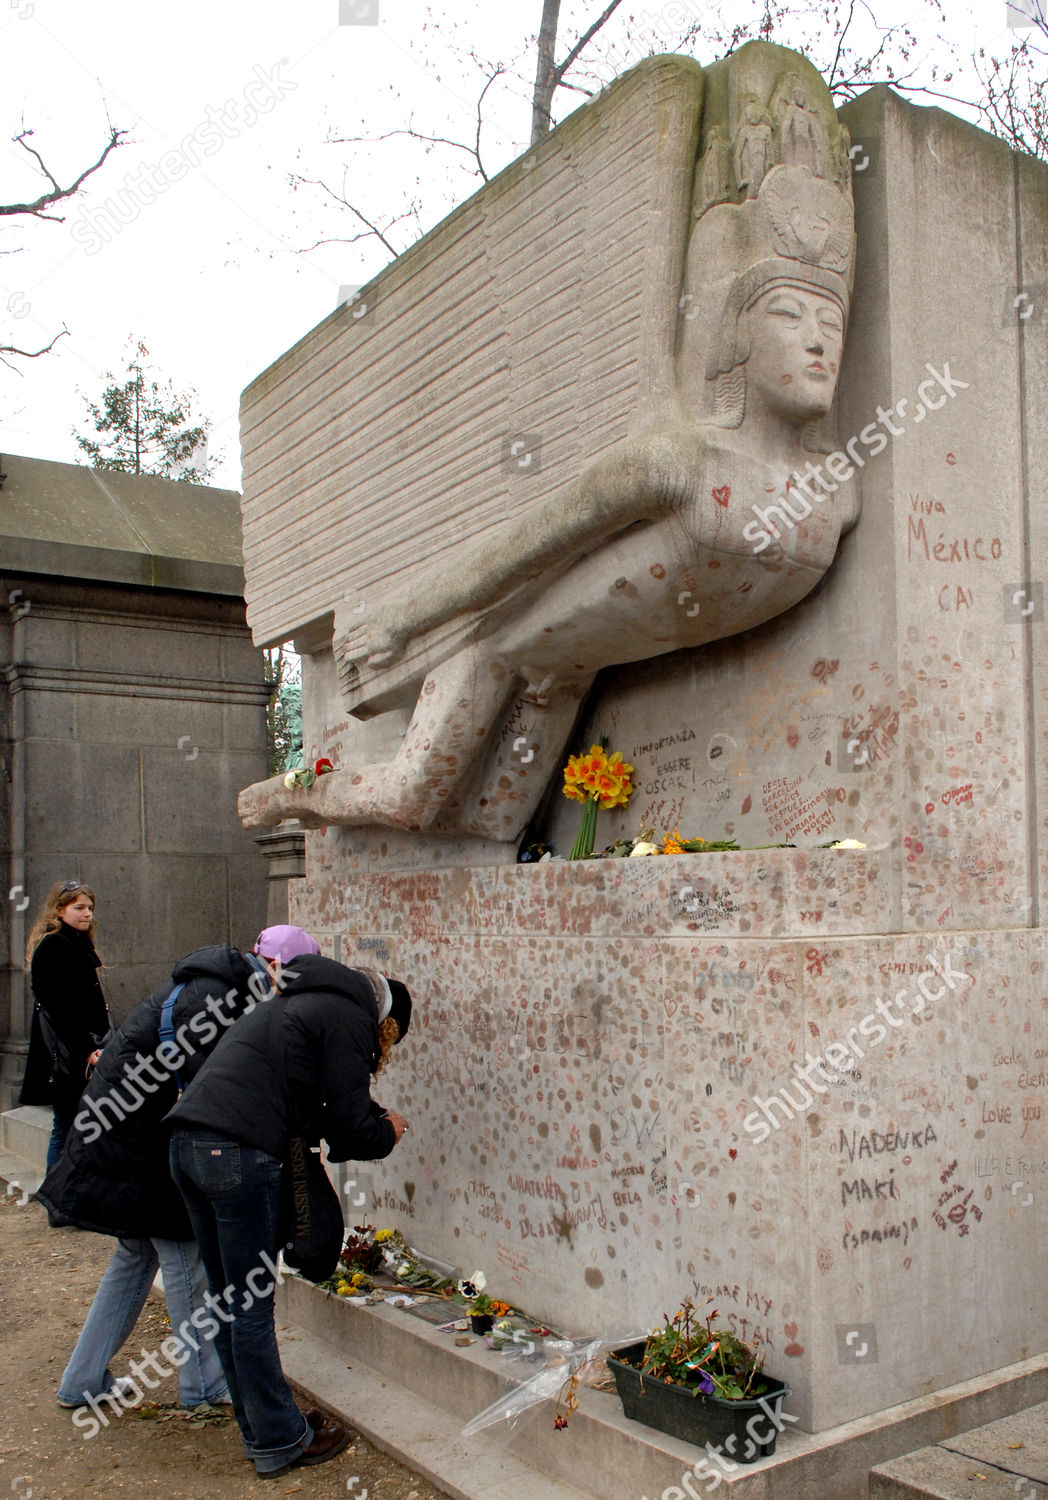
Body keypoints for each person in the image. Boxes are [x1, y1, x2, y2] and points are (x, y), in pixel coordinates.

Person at [167, 925, 412, 1480]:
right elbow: (347, 1120)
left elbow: (318, 1107)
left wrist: (364, 1123)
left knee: (229, 1304)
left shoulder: (297, 1004)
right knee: (249, 1305)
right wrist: (387, 1131)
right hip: (236, 1153)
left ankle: (260, 1430)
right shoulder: (350, 1017)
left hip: (187, 1146)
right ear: (386, 1019)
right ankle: (280, 1440)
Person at [36, 942, 270, 1412]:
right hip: (141, 1147)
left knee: (136, 1257)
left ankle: (82, 1379)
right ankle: (202, 1385)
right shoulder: (213, 998)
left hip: (127, 1138)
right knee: (184, 1260)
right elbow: (210, 1084)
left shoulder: (208, 987)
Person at [19, 880, 110, 1169]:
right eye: (79, 907)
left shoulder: (75, 943)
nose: (87, 914)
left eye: (90, 908)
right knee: (67, 1125)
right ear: (59, 911)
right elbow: (59, 1009)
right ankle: (57, 1199)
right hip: (68, 1054)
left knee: (74, 1124)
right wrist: (87, 1049)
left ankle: (63, 1197)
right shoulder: (56, 946)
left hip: (80, 1050)